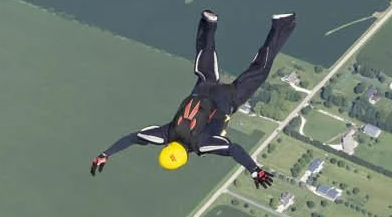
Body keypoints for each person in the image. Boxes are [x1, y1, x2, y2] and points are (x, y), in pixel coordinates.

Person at [91, 11, 295, 182]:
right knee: (204, 58)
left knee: (259, 69)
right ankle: (208, 23)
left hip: (227, 98)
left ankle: (281, 24)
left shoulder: (202, 144)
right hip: (203, 89)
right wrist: (105, 154)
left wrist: (255, 171)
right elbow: (133, 138)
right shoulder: (164, 135)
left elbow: (234, 150)